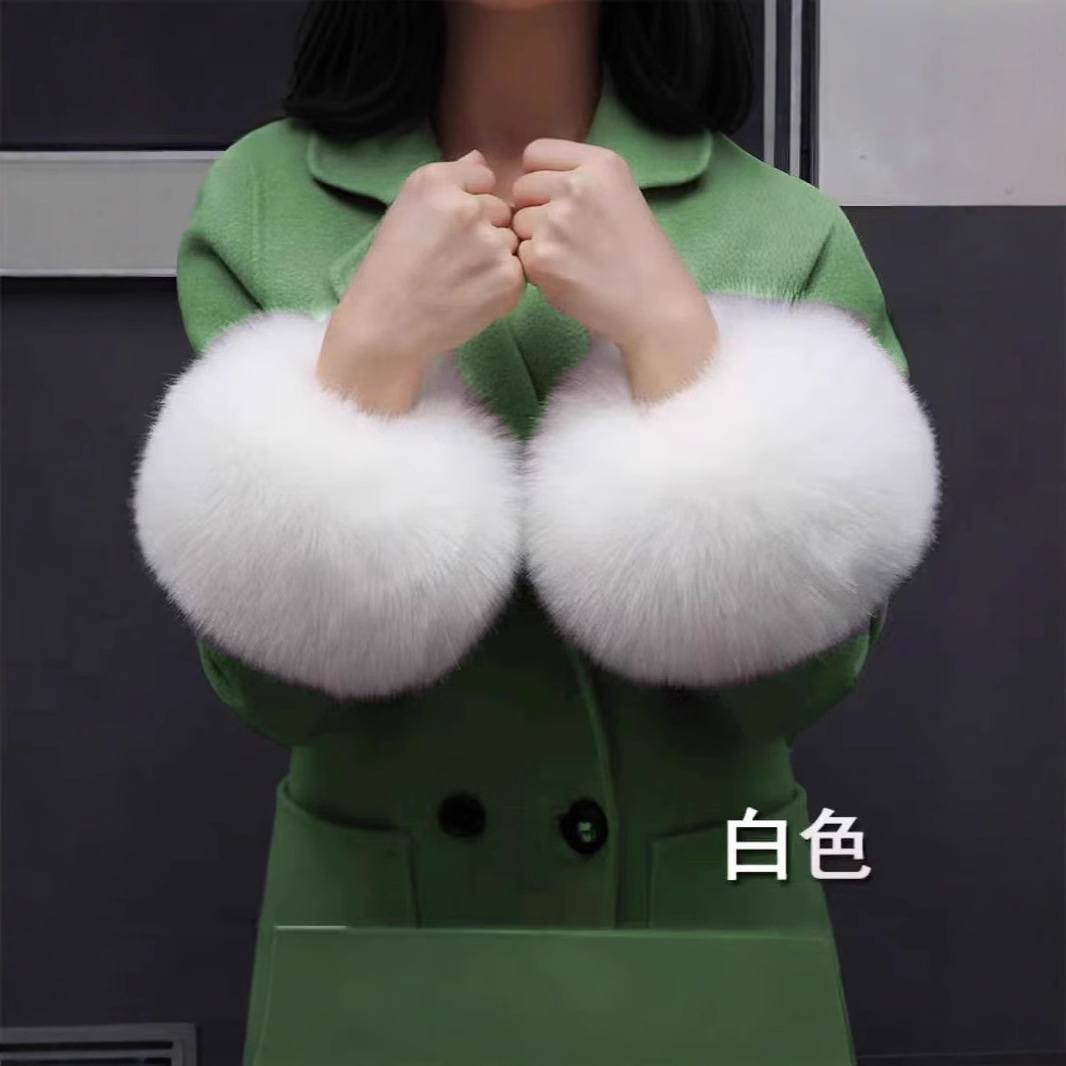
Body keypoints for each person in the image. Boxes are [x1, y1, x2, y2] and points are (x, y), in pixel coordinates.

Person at [130, 0, 941, 1061]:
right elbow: (268, 693)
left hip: (692, 940)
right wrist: (368, 353)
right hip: (386, 940)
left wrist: (670, 335)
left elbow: (801, 688)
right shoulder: (264, 202)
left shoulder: (785, 230)